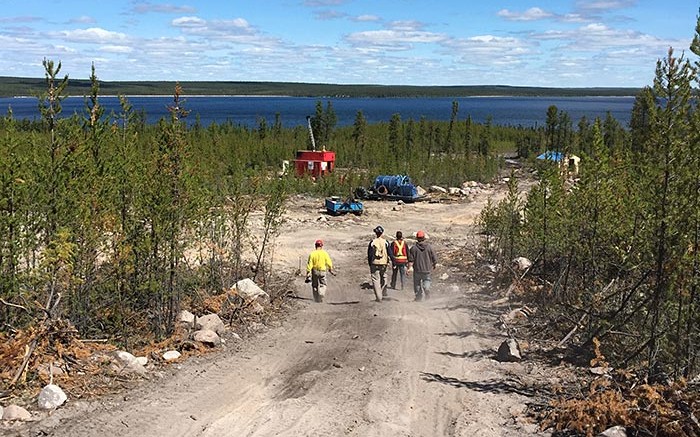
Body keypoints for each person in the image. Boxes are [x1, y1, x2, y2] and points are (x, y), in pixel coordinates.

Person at [408, 230, 437, 301]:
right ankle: (426, 289)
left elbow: (411, 260)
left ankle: (418, 297)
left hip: (417, 270)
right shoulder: (429, 247)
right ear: (424, 238)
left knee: (417, 284)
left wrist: (409, 268)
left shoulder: (413, 248)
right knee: (426, 281)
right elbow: (434, 258)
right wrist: (434, 264)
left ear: (417, 238)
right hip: (427, 269)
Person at [367, 225, 391, 302]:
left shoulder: (372, 242)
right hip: (384, 263)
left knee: (375, 280)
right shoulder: (386, 242)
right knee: (384, 277)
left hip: (374, 263)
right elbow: (390, 252)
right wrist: (393, 261)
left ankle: (379, 297)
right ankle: (383, 292)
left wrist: (370, 263)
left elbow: (369, 254)